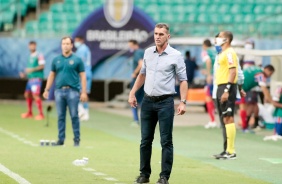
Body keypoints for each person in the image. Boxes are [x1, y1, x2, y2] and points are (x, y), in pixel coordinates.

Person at [128, 23, 188, 184]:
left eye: (161, 34)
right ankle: (144, 174)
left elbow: (183, 80)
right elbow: (142, 75)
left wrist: (183, 102)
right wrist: (133, 93)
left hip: (165, 102)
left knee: (166, 141)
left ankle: (164, 177)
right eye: (155, 33)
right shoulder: (148, 52)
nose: (157, 36)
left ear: (168, 36)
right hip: (147, 101)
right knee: (145, 140)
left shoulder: (176, 55)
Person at [43, 36, 88, 146]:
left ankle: (76, 139)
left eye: (68, 43)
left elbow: (83, 76)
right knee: (60, 116)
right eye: (63, 44)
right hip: (59, 91)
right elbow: (52, 74)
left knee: (74, 115)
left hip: (73, 91)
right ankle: (61, 139)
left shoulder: (77, 60)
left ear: (72, 45)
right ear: (61, 45)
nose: (65, 46)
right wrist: (47, 89)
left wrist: (83, 92)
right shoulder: (56, 59)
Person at [212, 33, 246, 159]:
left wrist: (227, 89)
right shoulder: (222, 53)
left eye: (219, 36)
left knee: (229, 117)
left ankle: (231, 151)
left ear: (226, 39)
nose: (216, 39)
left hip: (226, 86)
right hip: (220, 86)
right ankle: (227, 150)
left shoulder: (230, 53)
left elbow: (234, 71)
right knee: (225, 118)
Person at [240, 65, 275, 131]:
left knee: (252, 106)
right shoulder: (260, 74)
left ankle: (248, 126)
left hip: (239, 86)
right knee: (244, 107)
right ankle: (244, 127)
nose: (269, 76)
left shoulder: (257, 68)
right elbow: (264, 89)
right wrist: (272, 102)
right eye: (270, 74)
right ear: (267, 70)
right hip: (240, 88)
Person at [20, 41, 45, 120]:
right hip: (30, 79)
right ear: (28, 46)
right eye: (30, 45)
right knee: (27, 94)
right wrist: (25, 74)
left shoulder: (39, 55)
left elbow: (42, 66)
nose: (32, 47)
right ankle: (30, 112)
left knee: (35, 95)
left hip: (36, 79)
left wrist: (31, 70)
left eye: (33, 45)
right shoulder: (30, 56)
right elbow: (29, 70)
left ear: (36, 46)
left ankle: (41, 114)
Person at [74, 36, 92, 121]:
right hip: (88, 72)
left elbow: (78, 62)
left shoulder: (81, 50)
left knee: (77, 92)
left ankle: (81, 110)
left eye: (77, 41)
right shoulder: (86, 49)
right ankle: (85, 112)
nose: (75, 43)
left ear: (81, 40)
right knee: (84, 93)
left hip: (82, 73)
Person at [128, 39, 144, 125]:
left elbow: (141, 64)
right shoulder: (143, 52)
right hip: (145, 80)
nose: (129, 47)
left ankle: (136, 120)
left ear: (135, 44)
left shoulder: (137, 53)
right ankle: (144, 120)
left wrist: (134, 73)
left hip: (138, 80)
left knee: (133, 98)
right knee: (141, 101)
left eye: (130, 45)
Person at [201, 39, 217, 129]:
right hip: (219, 76)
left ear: (204, 45)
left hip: (212, 77)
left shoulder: (205, 52)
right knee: (216, 98)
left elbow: (208, 62)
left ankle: (212, 120)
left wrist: (208, 74)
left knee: (208, 97)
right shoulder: (215, 51)